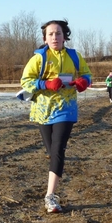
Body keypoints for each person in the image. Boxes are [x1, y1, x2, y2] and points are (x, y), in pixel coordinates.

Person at [20, 20, 92, 213]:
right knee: (53, 152)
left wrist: (83, 82)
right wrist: (45, 85)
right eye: (50, 34)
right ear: (45, 38)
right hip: (43, 111)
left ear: (64, 36)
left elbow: (87, 75)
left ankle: (50, 196)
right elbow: (26, 81)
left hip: (66, 110)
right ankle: (53, 186)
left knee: (58, 148)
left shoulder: (74, 56)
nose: (54, 37)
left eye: (58, 33)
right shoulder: (39, 58)